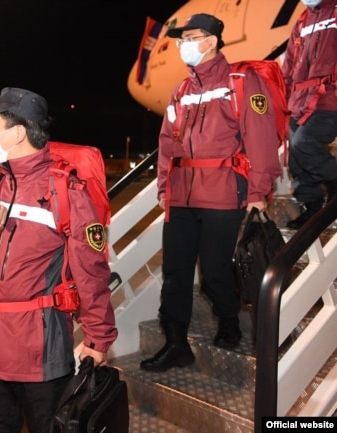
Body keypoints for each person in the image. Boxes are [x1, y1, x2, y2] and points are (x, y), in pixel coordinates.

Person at [0, 87, 118, 433]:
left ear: (17, 133)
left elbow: (92, 273)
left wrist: (97, 340)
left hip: (39, 354)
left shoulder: (67, 191)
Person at [141, 14, 282, 372]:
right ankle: (175, 343)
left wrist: (259, 190)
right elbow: (165, 145)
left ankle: (230, 322)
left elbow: (261, 139)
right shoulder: (181, 91)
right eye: (181, 38)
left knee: (216, 272)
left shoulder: (242, 82)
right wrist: (163, 186)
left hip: (223, 192)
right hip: (181, 195)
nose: (183, 44)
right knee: (174, 272)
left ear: (212, 41)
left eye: (191, 37)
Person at [283, 0, 337, 229]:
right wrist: (283, 99)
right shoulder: (303, 20)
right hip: (300, 100)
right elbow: (290, 64)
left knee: (303, 143)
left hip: (330, 97)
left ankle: (334, 183)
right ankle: (312, 205)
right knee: (295, 158)